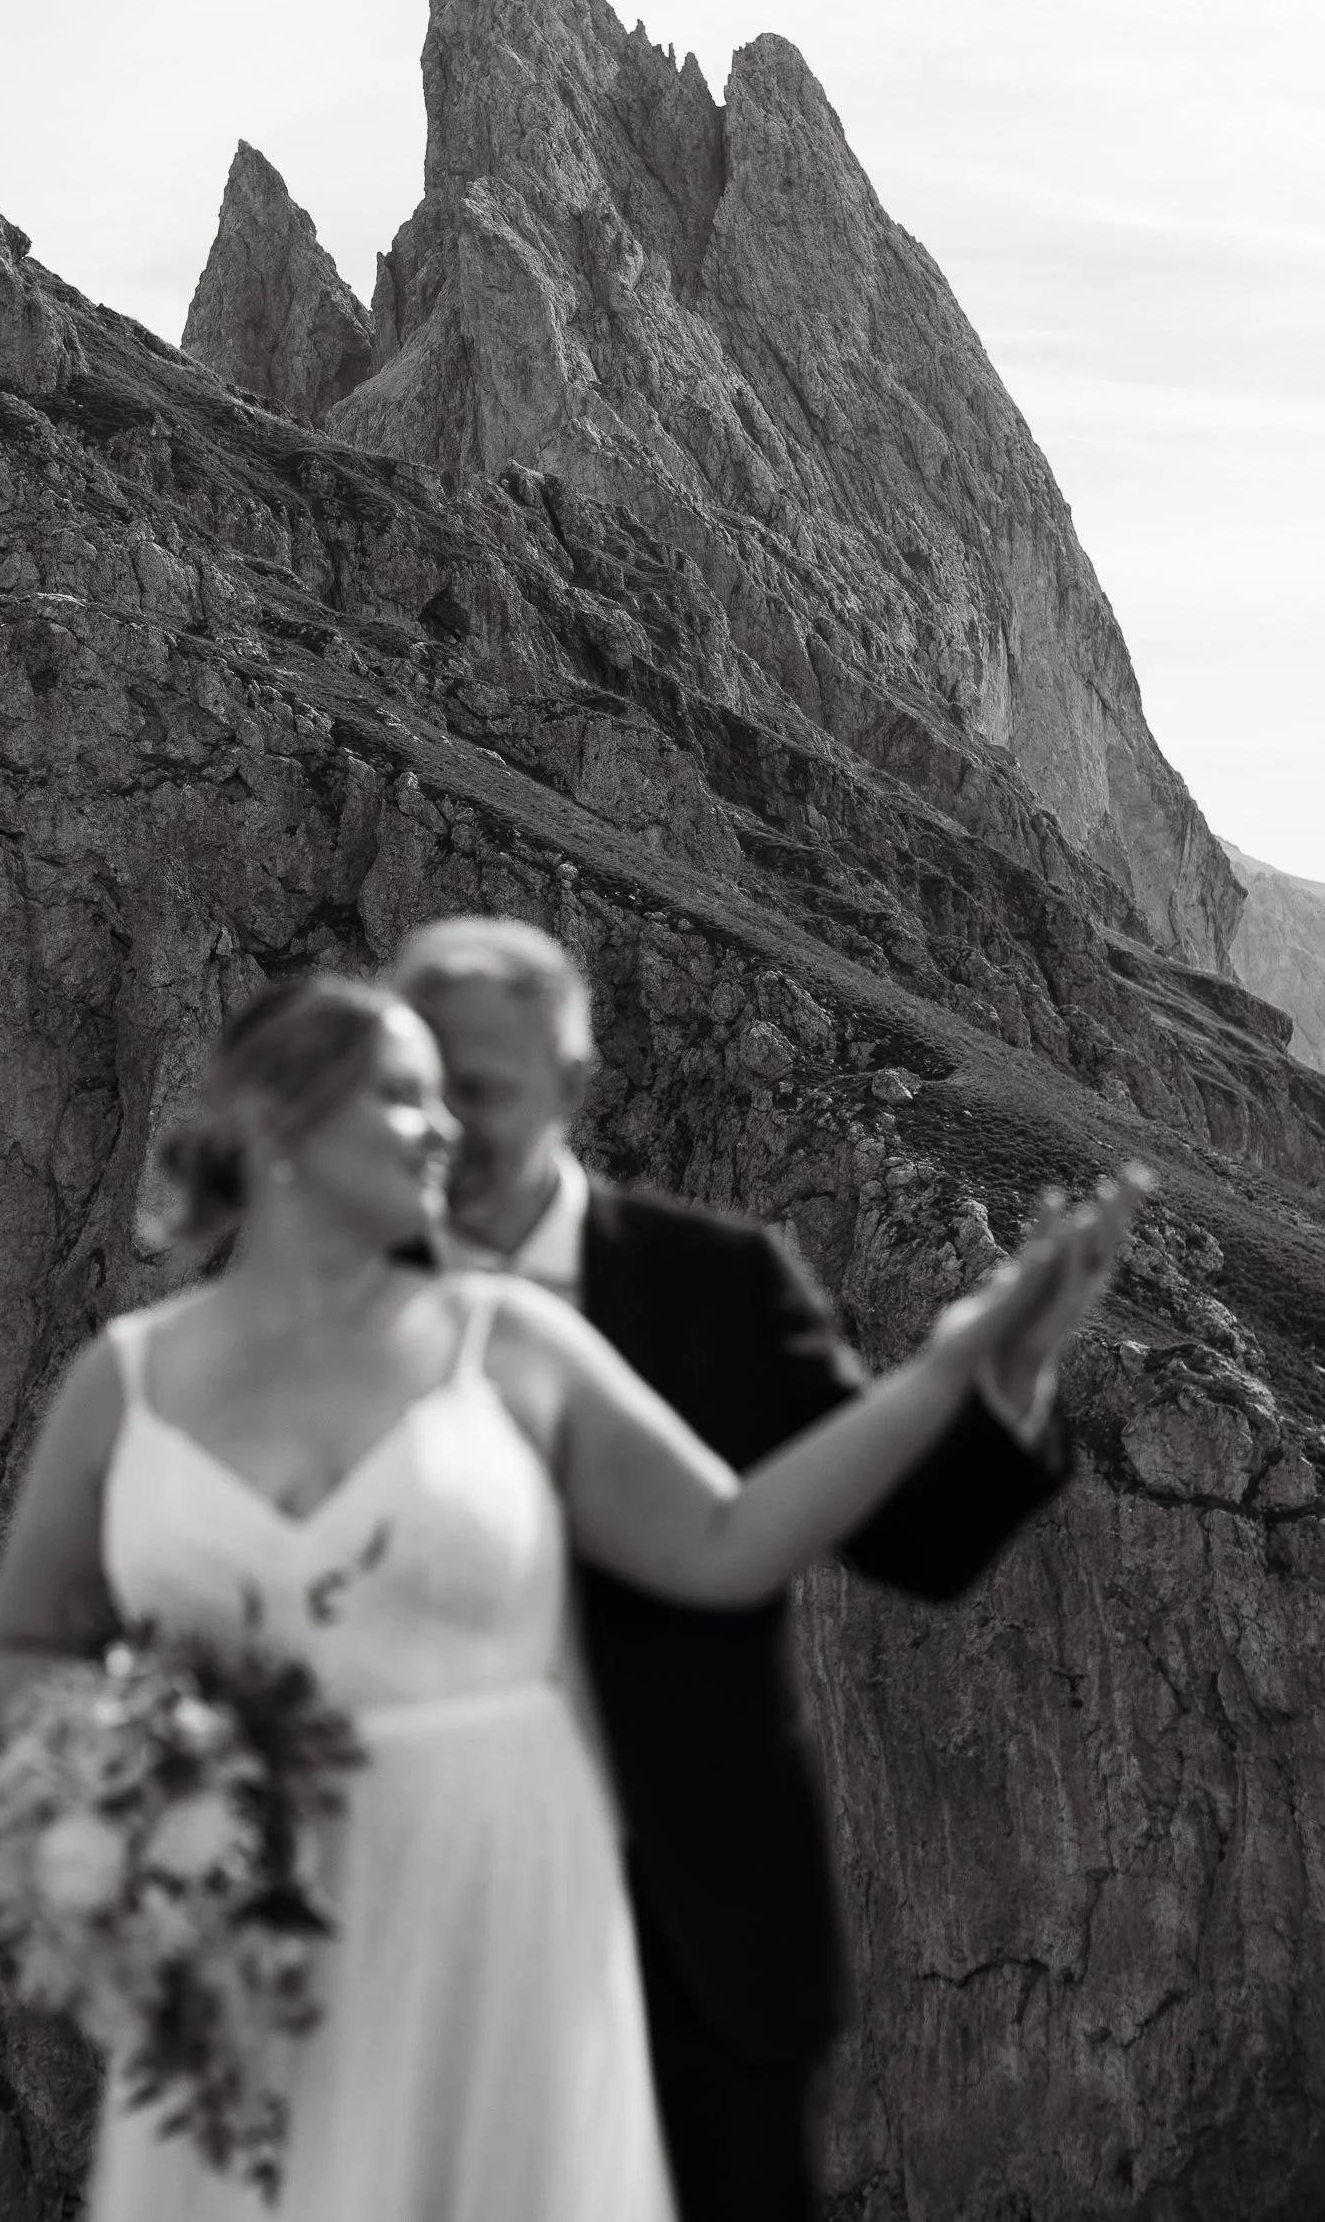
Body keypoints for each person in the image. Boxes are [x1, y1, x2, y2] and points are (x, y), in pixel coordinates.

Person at [0, 974, 1145, 2222]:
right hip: (235, 1943)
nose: (445, 1129)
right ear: (278, 1123)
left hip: (498, 1907)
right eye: (402, 1097)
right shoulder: (122, 1382)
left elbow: (727, 1538)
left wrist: (954, 1369)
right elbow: (20, 1646)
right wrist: (143, 1775)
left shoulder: (511, 1342)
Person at [391, 917, 1115, 2222]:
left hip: (698, 1979)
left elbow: (912, 1540)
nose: (440, 1126)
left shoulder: (719, 1286)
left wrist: (1004, 1377)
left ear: (571, 1085)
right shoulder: (327, 1312)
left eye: (478, 1089)